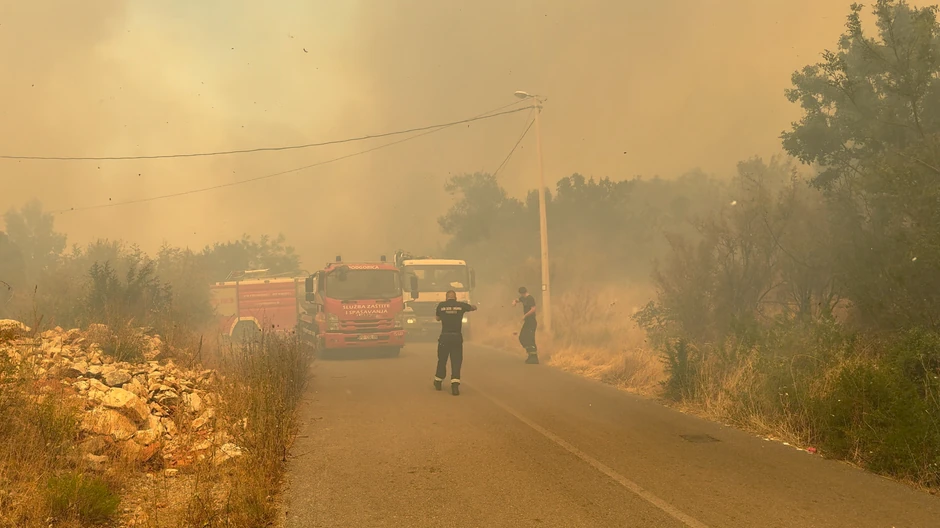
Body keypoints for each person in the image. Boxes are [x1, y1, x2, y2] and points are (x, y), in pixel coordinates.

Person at [434, 290, 477, 395]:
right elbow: (472, 308)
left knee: (442, 359)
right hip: (457, 337)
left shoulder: (441, 305)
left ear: (446, 297)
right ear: (455, 297)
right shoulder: (461, 305)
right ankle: (455, 386)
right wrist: (474, 306)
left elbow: (437, 319)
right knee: (456, 361)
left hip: (444, 337)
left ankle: (438, 381)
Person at [512, 286, 539, 364]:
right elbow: (517, 300)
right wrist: (514, 302)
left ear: (524, 293)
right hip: (527, 322)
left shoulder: (530, 298)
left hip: (532, 321)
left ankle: (534, 357)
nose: (522, 295)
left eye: (522, 294)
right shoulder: (523, 298)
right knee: (522, 337)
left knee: (530, 339)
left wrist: (525, 315)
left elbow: (533, 309)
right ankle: (530, 354)